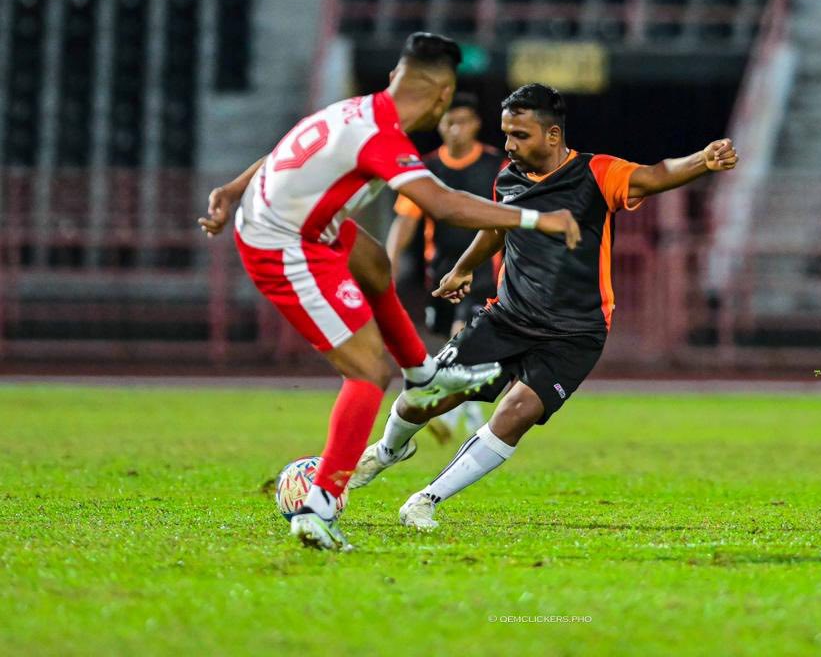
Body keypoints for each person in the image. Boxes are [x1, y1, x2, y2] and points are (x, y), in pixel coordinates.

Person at [197, 35, 581, 550]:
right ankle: (319, 505)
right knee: (368, 373)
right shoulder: (382, 137)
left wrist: (231, 189)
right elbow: (443, 205)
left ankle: (422, 375)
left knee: (375, 262)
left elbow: (283, 151)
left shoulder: (354, 111)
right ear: (442, 96)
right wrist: (536, 218)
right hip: (284, 244)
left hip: (303, 222)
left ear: (396, 76)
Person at [347, 83, 739, 530]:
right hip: (507, 319)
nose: (509, 145)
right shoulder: (508, 179)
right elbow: (496, 227)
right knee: (426, 395)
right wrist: (462, 269)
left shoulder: (597, 173)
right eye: (506, 134)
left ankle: (425, 500)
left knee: (516, 413)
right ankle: (387, 451)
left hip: (575, 332)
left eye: (520, 135)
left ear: (552, 135)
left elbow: (654, 175)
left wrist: (702, 160)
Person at [386, 91, 505, 441]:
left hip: (483, 269)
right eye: (449, 122)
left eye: (462, 122)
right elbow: (406, 220)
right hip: (439, 271)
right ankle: (468, 406)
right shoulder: (424, 171)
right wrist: (390, 263)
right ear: (439, 125)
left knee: (460, 331)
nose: (455, 129)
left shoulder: (496, 166)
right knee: (445, 335)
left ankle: (450, 415)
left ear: (476, 124)